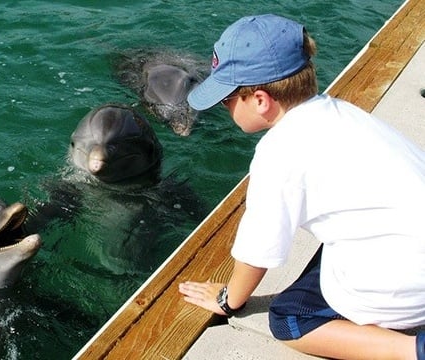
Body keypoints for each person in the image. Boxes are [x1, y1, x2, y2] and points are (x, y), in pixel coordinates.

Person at [178, 13, 425, 360]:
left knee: (290, 318)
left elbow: (257, 253)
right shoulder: (341, 112)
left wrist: (227, 300)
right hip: (412, 243)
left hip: (412, 284)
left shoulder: (277, 152)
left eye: (226, 99)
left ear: (261, 100)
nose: (225, 107)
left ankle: (413, 349)